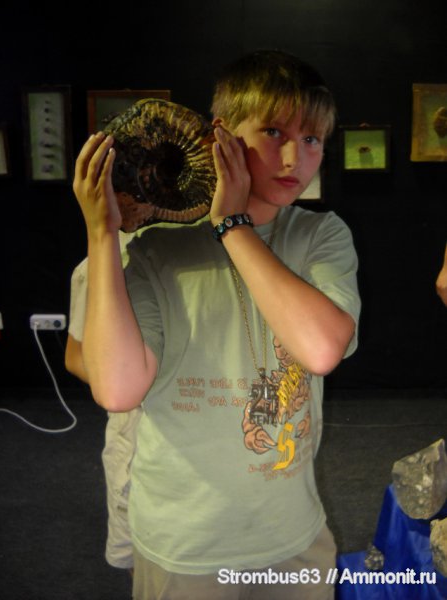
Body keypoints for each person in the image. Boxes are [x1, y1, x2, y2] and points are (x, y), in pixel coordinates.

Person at [72, 49, 361, 599]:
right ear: (221, 133)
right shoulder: (156, 249)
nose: (294, 158)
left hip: (292, 535)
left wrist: (232, 225)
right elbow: (117, 389)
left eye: (312, 139)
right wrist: (102, 234)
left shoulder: (320, 236)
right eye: (274, 132)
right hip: (186, 544)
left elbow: (321, 349)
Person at [65, 232, 143, 573]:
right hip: (139, 433)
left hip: (215, 435)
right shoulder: (106, 261)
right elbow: (75, 357)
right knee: (142, 549)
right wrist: (132, 385)